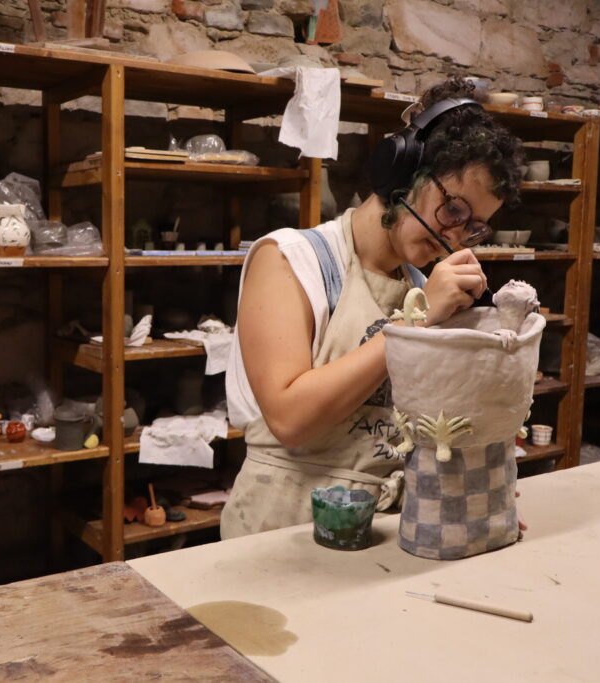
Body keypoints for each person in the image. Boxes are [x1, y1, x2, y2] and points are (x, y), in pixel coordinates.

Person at [221, 77, 526, 538]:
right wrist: (417, 321)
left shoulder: (421, 285)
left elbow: (428, 427)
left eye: (475, 227)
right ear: (401, 175)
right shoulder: (291, 258)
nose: (456, 237)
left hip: (388, 522)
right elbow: (289, 419)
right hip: (286, 522)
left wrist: (471, 495)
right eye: (454, 211)